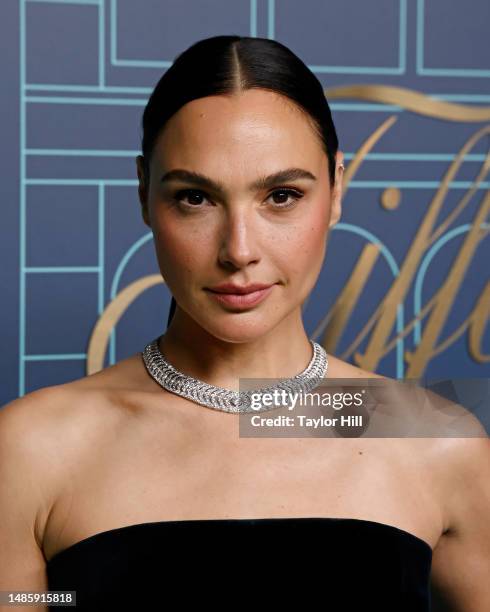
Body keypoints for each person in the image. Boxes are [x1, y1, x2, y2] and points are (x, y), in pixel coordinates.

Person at [0, 35, 488, 612]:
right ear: (143, 193)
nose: (239, 250)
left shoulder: (437, 443)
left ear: (336, 189)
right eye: (194, 198)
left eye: (281, 195)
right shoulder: (33, 448)